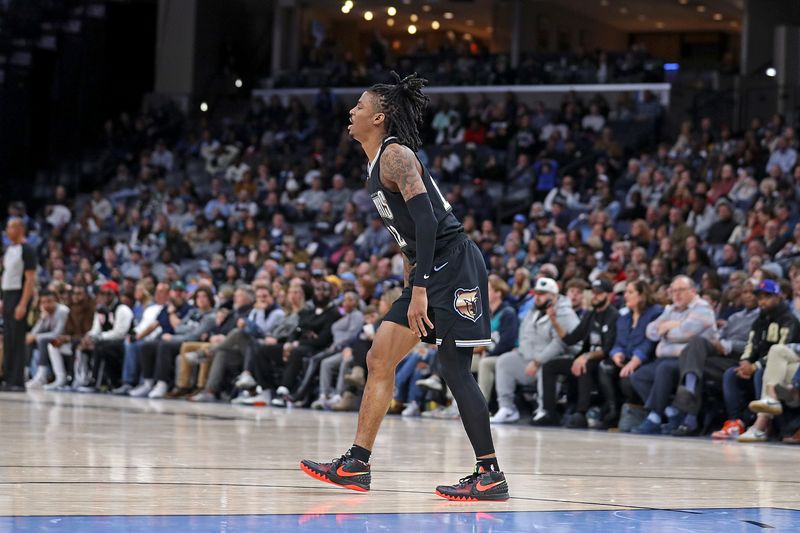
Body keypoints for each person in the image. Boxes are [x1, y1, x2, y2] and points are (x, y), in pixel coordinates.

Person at [300, 72, 508, 502]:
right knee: (379, 358)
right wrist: (410, 281)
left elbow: (430, 222)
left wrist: (420, 288)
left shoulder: (396, 156)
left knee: (453, 367)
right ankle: (357, 464)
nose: (351, 111)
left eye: (359, 106)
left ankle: (490, 473)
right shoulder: (374, 166)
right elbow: (407, 235)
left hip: (454, 266)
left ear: (378, 117)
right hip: (427, 271)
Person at [1, 218, 37, 390]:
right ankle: (7, 378)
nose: (7, 231)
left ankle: (17, 381)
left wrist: (22, 304)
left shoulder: (27, 250)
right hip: (7, 296)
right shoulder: (9, 250)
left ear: (20, 229)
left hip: (19, 296)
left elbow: (30, 279)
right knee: (7, 338)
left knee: (17, 339)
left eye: (10, 228)